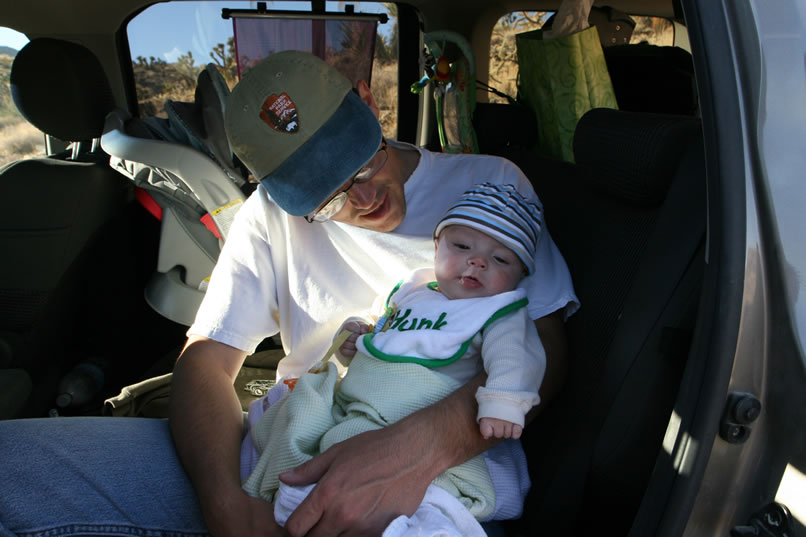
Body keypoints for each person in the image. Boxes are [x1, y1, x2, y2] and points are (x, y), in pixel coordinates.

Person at [0, 50, 577, 537]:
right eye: (327, 200)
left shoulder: (491, 186)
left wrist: (416, 448)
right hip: (285, 443)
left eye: (363, 162)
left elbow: (541, 350)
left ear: (367, 100)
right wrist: (226, 506)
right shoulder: (270, 214)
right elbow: (205, 359)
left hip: (438, 481)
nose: (364, 199)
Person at [241, 183, 546, 537]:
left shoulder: (500, 312)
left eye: (501, 259)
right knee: (302, 415)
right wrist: (357, 339)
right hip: (362, 404)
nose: (477, 262)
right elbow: (384, 327)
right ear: (436, 247)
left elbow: (518, 359)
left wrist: (504, 402)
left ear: (520, 276)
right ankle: (293, 490)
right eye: (462, 246)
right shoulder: (414, 290)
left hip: (416, 412)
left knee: (432, 496)